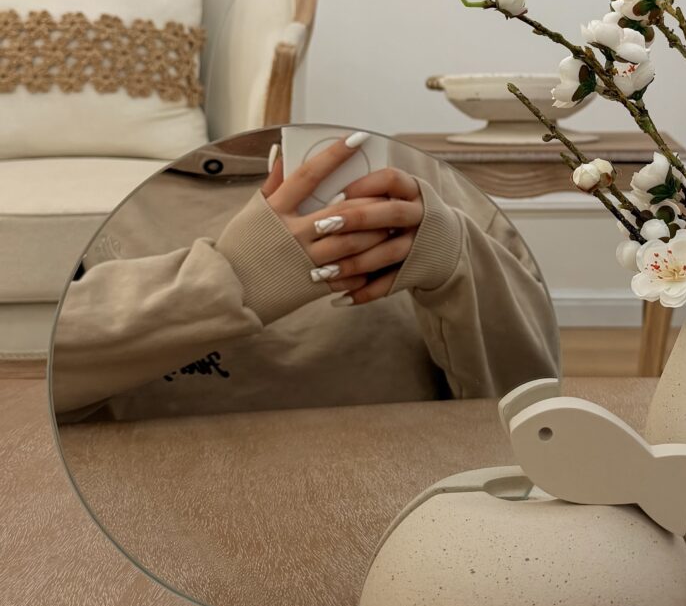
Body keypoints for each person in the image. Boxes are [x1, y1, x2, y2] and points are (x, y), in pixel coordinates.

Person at [51, 127, 560, 421]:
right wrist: (233, 278)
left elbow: (533, 404)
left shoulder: (421, 175)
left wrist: (457, 260)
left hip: (408, 509)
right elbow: (40, 380)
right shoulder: (85, 200)